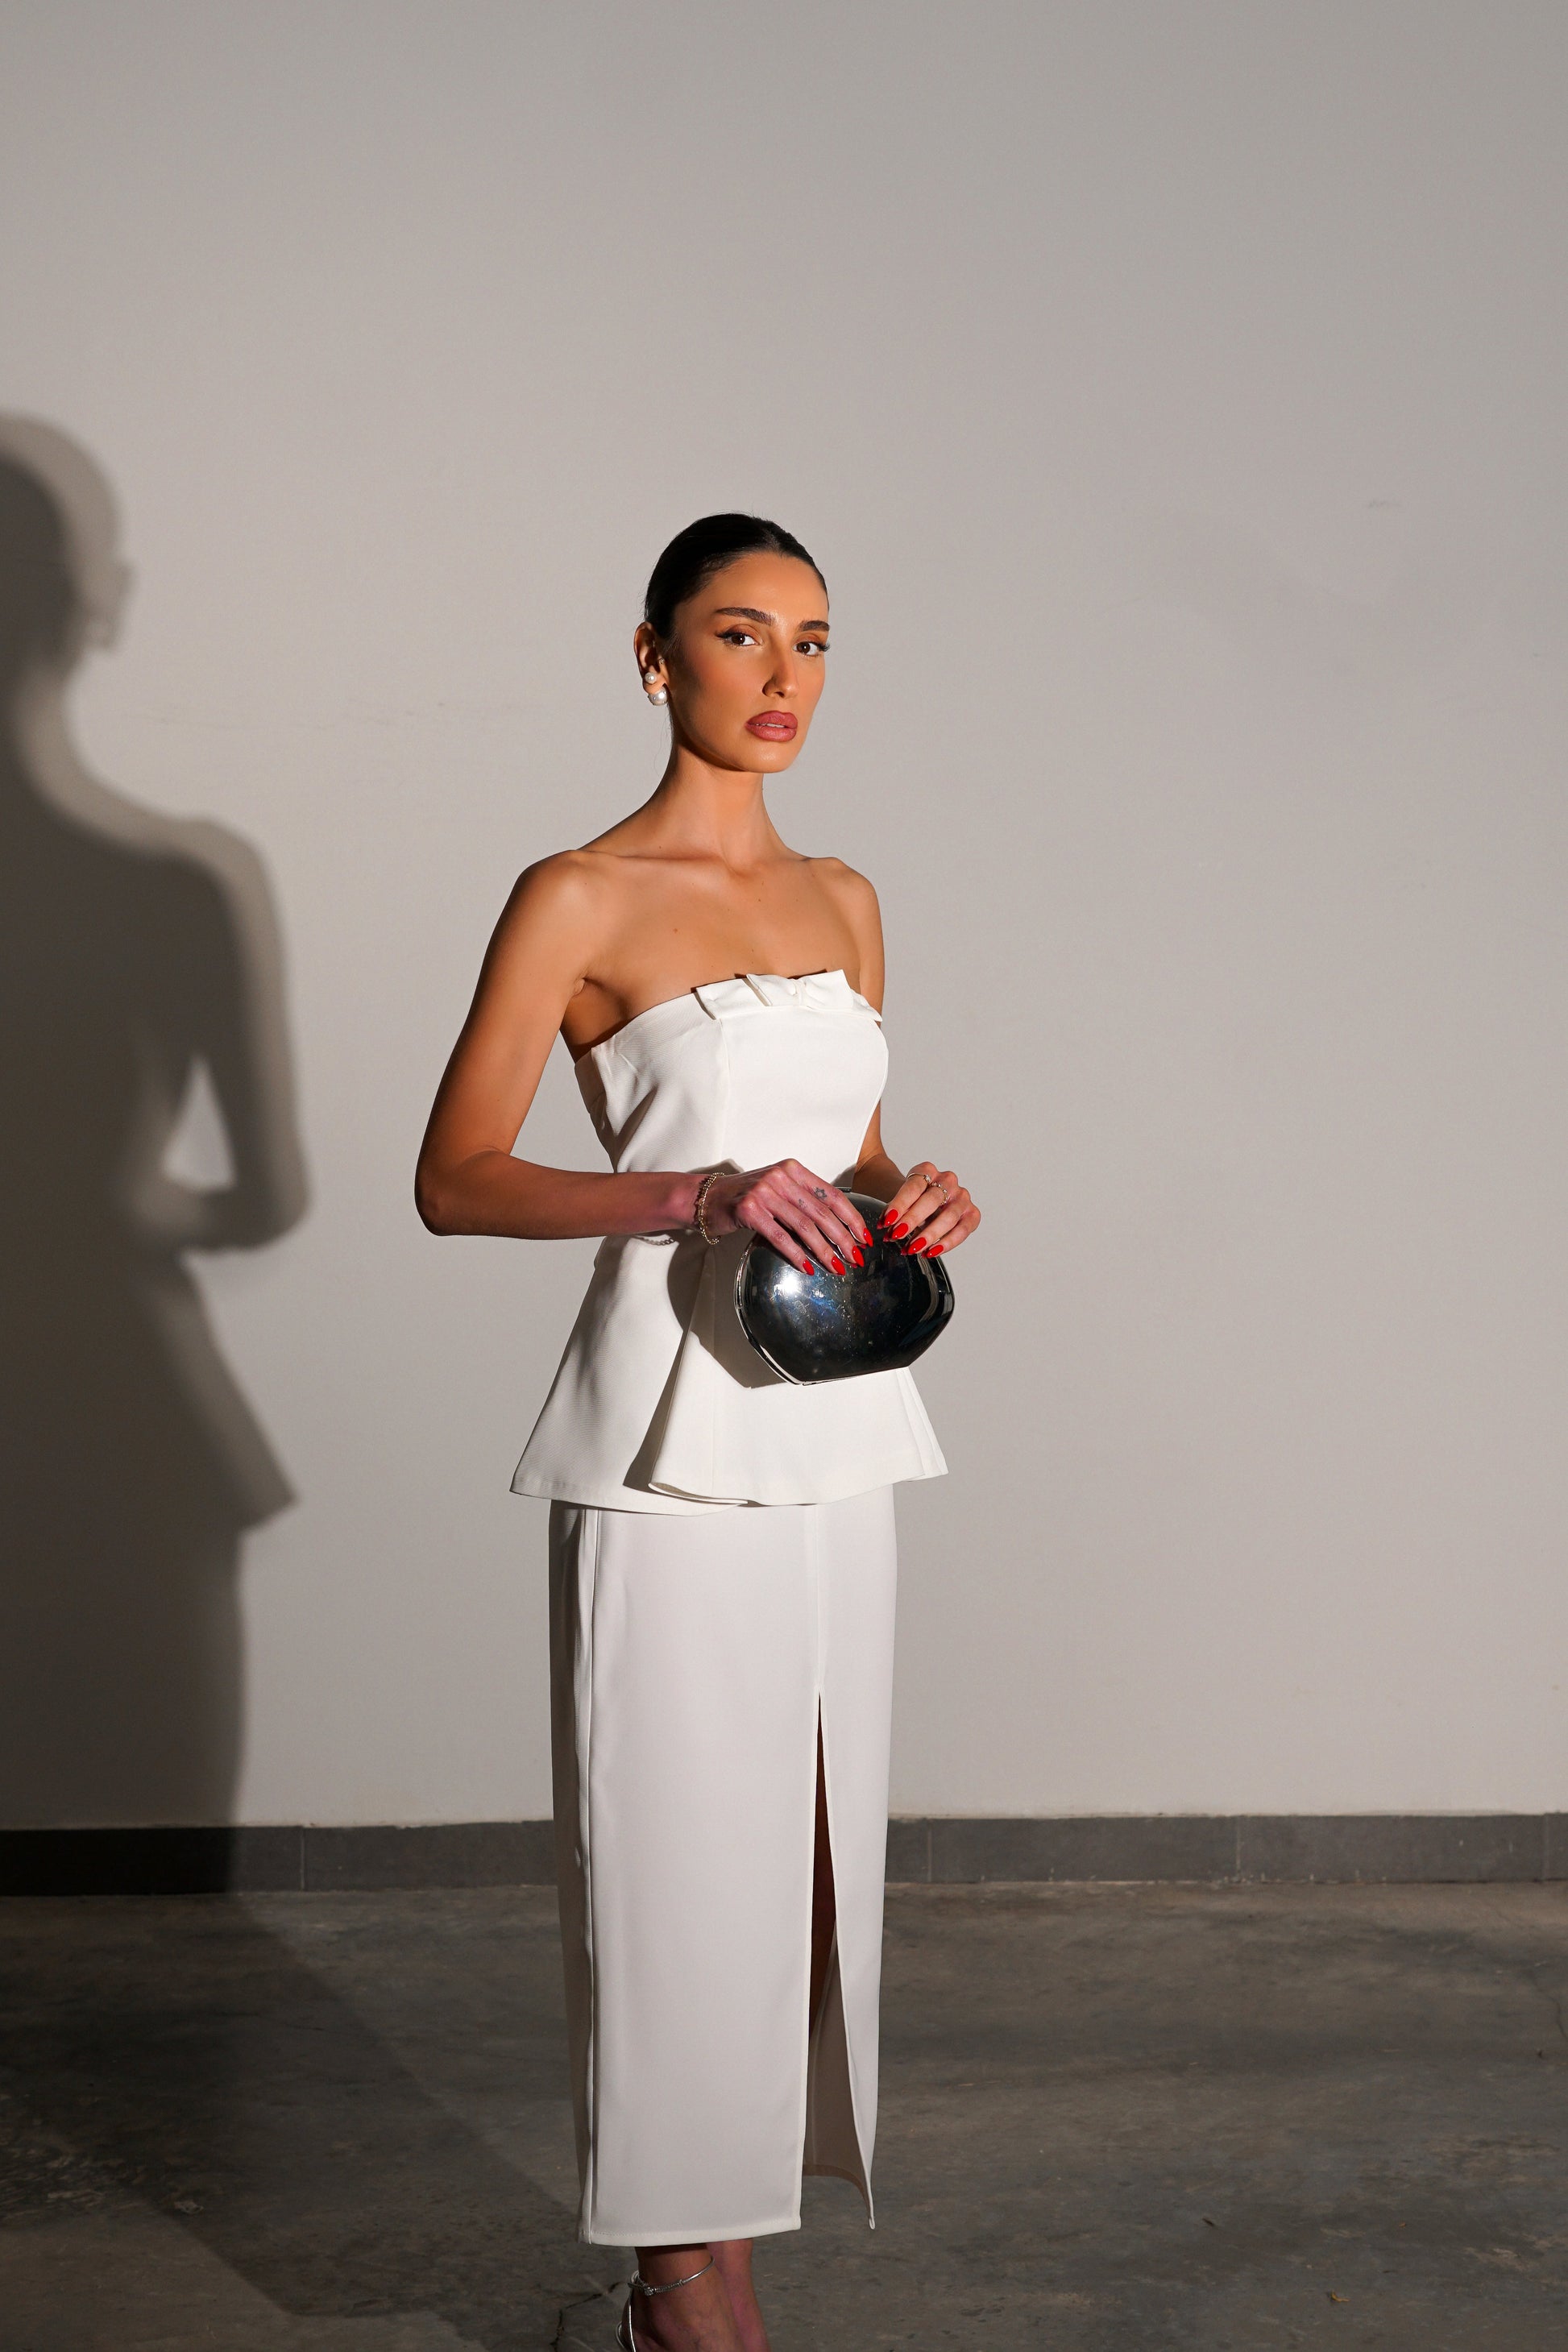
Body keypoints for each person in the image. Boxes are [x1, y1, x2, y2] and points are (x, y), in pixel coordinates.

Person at [416, 514, 980, 2352]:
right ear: (655, 657)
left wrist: (914, 1193)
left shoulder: (848, 896)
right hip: (662, 1444)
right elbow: (456, 1178)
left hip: (836, 1427)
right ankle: (680, 2277)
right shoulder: (576, 896)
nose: (783, 676)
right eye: (740, 635)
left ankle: (723, 2255)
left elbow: (856, 1153)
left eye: (812, 641)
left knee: (801, 1849)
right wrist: (695, 1193)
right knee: (667, 1854)